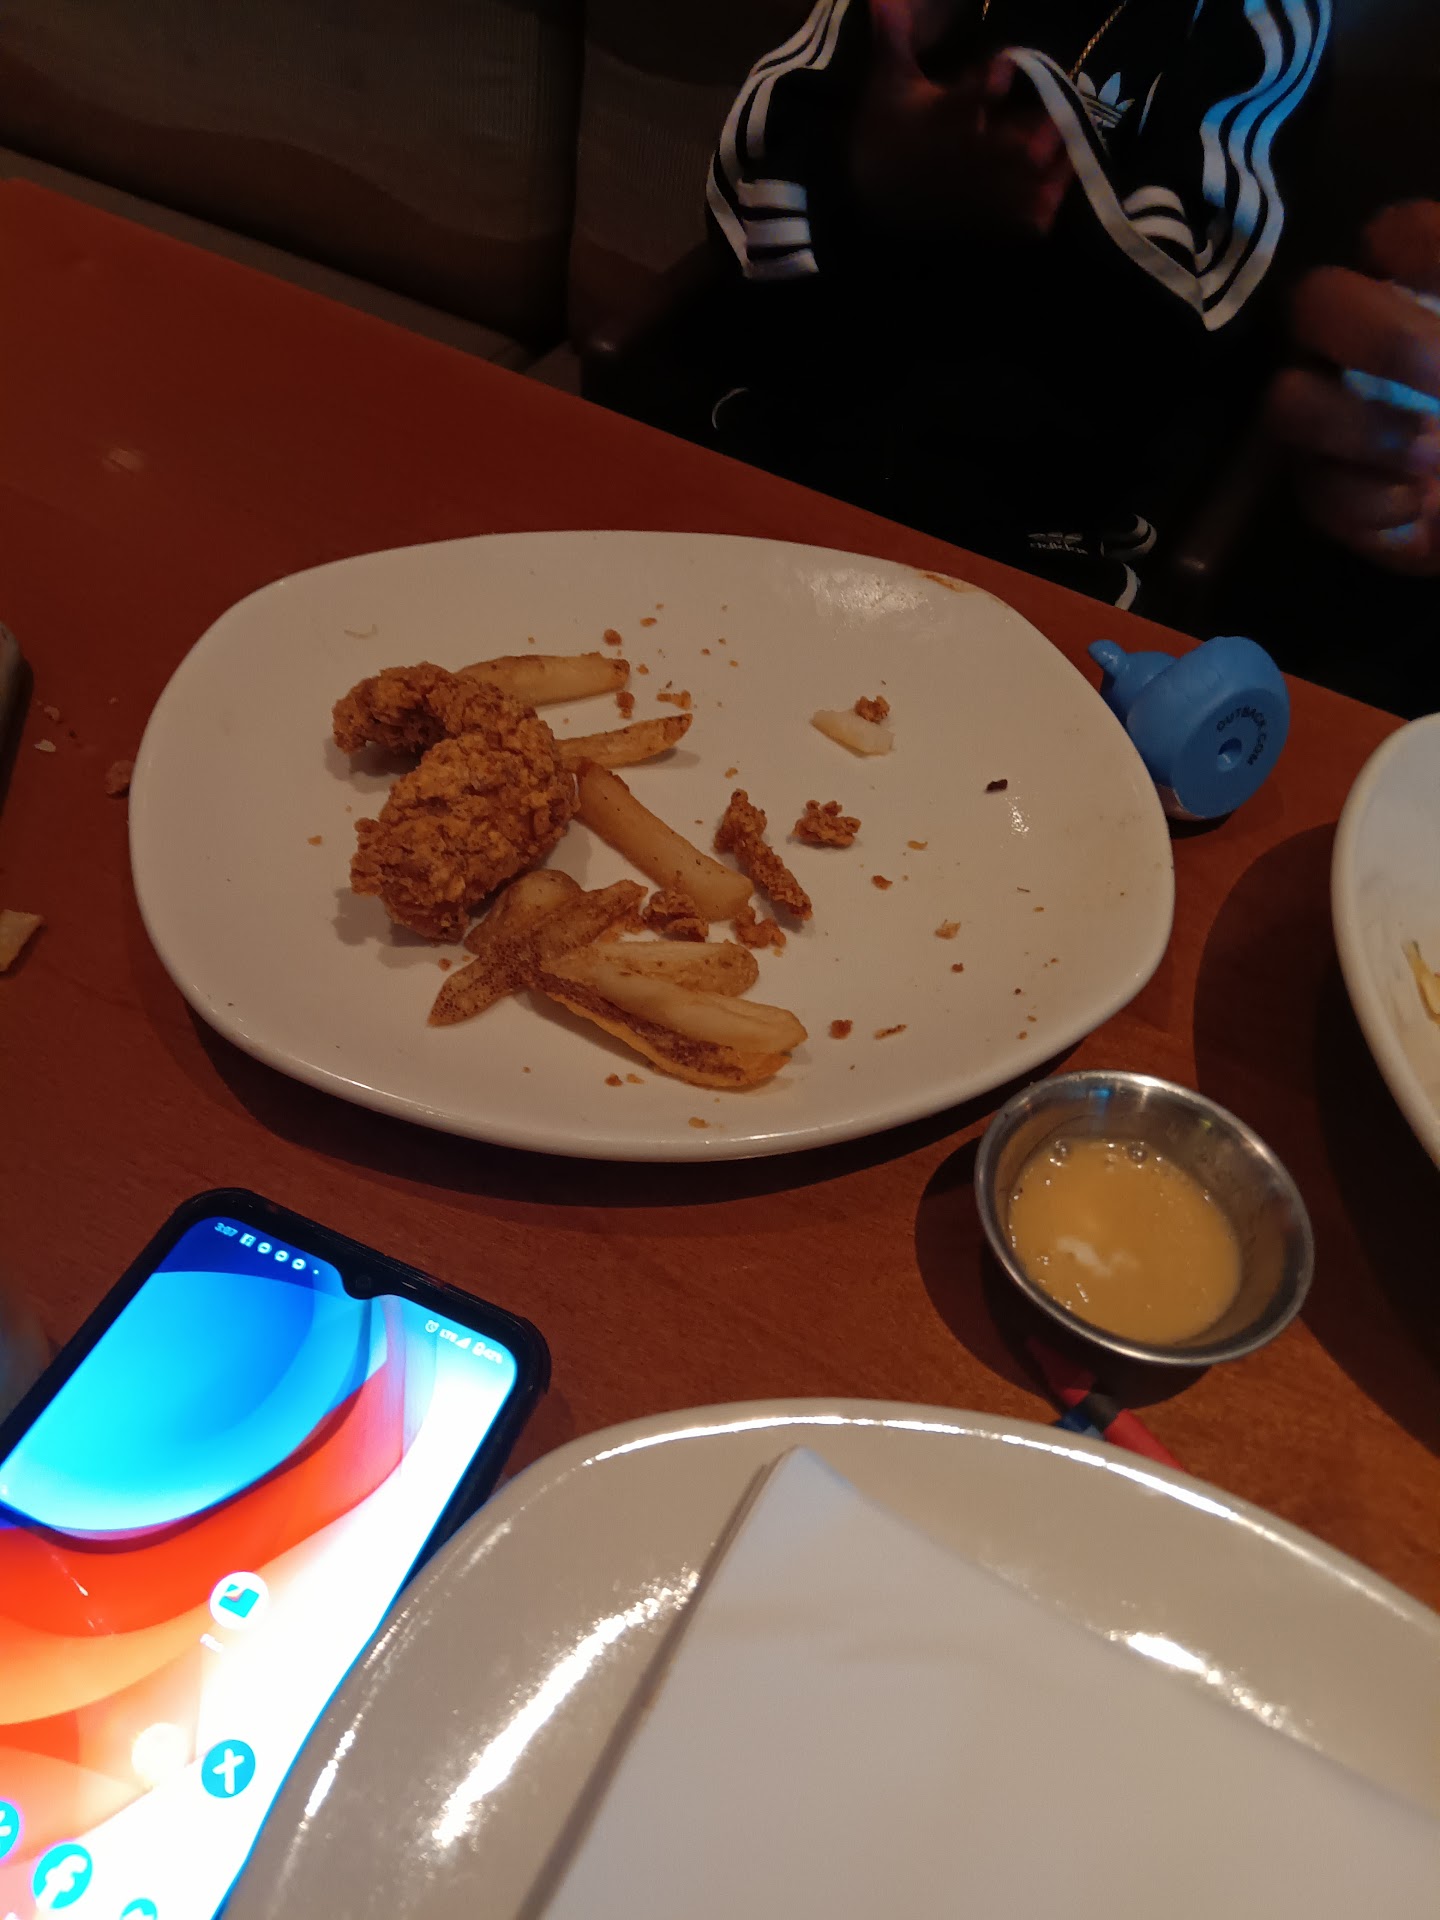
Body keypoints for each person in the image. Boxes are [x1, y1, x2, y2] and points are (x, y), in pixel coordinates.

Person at [703, 0, 1439, 701]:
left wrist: (1039, 180)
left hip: (1051, 537)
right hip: (790, 447)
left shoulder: (1262, 20)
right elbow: (737, 204)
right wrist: (866, 173)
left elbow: (1196, 324)